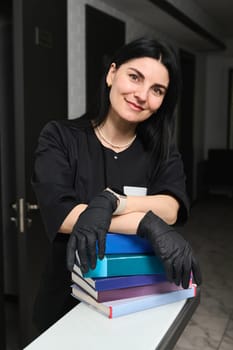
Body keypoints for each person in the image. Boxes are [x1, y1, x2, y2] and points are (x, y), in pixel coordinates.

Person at [31, 37, 202, 333]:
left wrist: (114, 202)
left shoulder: (161, 150)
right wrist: (144, 223)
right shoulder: (60, 136)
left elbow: (171, 208)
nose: (142, 95)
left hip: (135, 295)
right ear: (112, 74)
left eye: (157, 90)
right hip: (66, 297)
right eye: (135, 77)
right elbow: (62, 215)